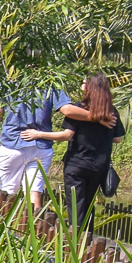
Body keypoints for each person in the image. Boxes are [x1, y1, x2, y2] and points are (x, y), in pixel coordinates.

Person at [22, 74, 122, 231]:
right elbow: (118, 138)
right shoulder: (111, 110)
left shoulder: (79, 108)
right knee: (88, 203)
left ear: (91, 88)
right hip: (98, 166)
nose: (82, 86)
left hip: (77, 163)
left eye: (84, 83)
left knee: (75, 204)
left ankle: (75, 239)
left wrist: (38, 134)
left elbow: (67, 135)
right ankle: (86, 239)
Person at [0, 87, 67, 211]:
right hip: (41, 147)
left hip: (13, 144)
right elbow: (66, 109)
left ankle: (3, 226)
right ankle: (32, 228)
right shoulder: (50, 84)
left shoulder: (9, 82)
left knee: (7, 192)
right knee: (34, 192)